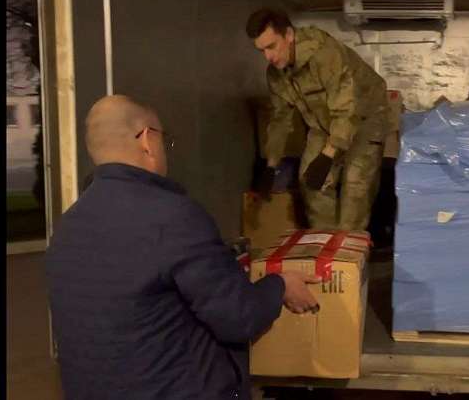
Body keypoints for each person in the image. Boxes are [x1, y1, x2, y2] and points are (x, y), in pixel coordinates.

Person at [44, 95, 320, 400]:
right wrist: (280, 285)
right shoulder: (174, 217)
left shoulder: (66, 227)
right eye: (165, 139)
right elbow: (239, 317)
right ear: (147, 140)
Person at [246, 8, 392, 231]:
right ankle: (325, 243)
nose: (268, 57)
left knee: (355, 188)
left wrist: (327, 156)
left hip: (365, 116)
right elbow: (280, 120)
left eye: (271, 46)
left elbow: (346, 111)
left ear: (289, 35)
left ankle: (348, 247)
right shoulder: (276, 74)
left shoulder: (325, 54)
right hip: (324, 123)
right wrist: (271, 165)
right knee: (311, 183)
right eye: (262, 50)